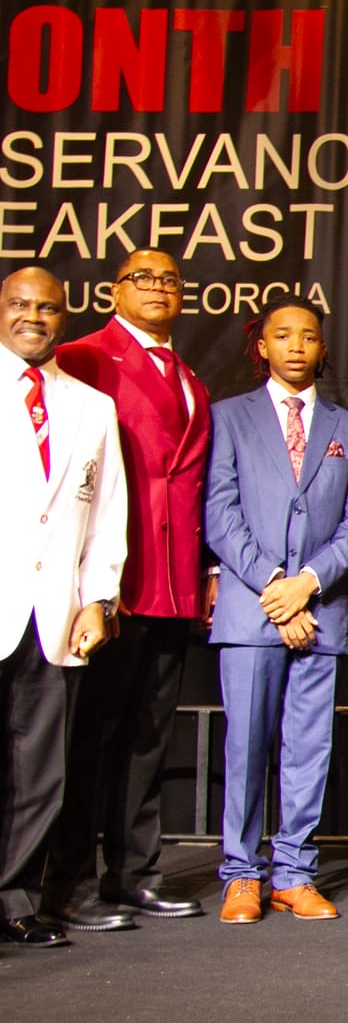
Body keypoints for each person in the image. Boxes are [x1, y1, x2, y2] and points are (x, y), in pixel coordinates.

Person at [45, 248, 211, 930]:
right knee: (91, 737)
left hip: (171, 583)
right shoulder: (83, 357)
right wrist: (91, 581)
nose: (159, 288)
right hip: (110, 582)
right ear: (114, 291)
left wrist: (205, 572)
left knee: (148, 738)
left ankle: (134, 874)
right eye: (144, 277)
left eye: (171, 280)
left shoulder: (189, 376)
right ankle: (67, 883)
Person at [204, 295, 348, 924]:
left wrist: (307, 583)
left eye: (308, 336)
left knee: (309, 749)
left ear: (323, 348)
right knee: (247, 746)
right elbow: (220, 514)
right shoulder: (229, 417)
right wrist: (277, 588)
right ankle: (241, 874)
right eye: (283, 335)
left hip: (320, 610)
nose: (297, 345)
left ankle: (295, 873)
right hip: (252, 610)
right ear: (263, 346)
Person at [0, 267, 125, 948]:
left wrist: (98, 597)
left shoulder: (91, 406)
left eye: (46, 307)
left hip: (54, 614)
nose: (34, 317)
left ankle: (13, 900)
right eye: (20, 304)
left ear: (64, 317)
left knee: (41, 772)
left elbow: (107, 513)